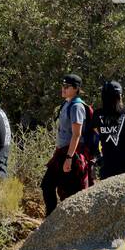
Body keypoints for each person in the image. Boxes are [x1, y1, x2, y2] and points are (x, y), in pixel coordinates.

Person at [40, 73, 92, 215]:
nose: (63, 89)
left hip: (71, 155)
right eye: (62, 86)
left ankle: (64, 224)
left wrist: (69, 158)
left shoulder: (77, 107)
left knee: (71, 193)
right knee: (47, 185)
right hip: (61, 153)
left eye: (67, 86)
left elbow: (77, 134)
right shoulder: (66, 103)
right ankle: (50, 219)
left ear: (76, 88)